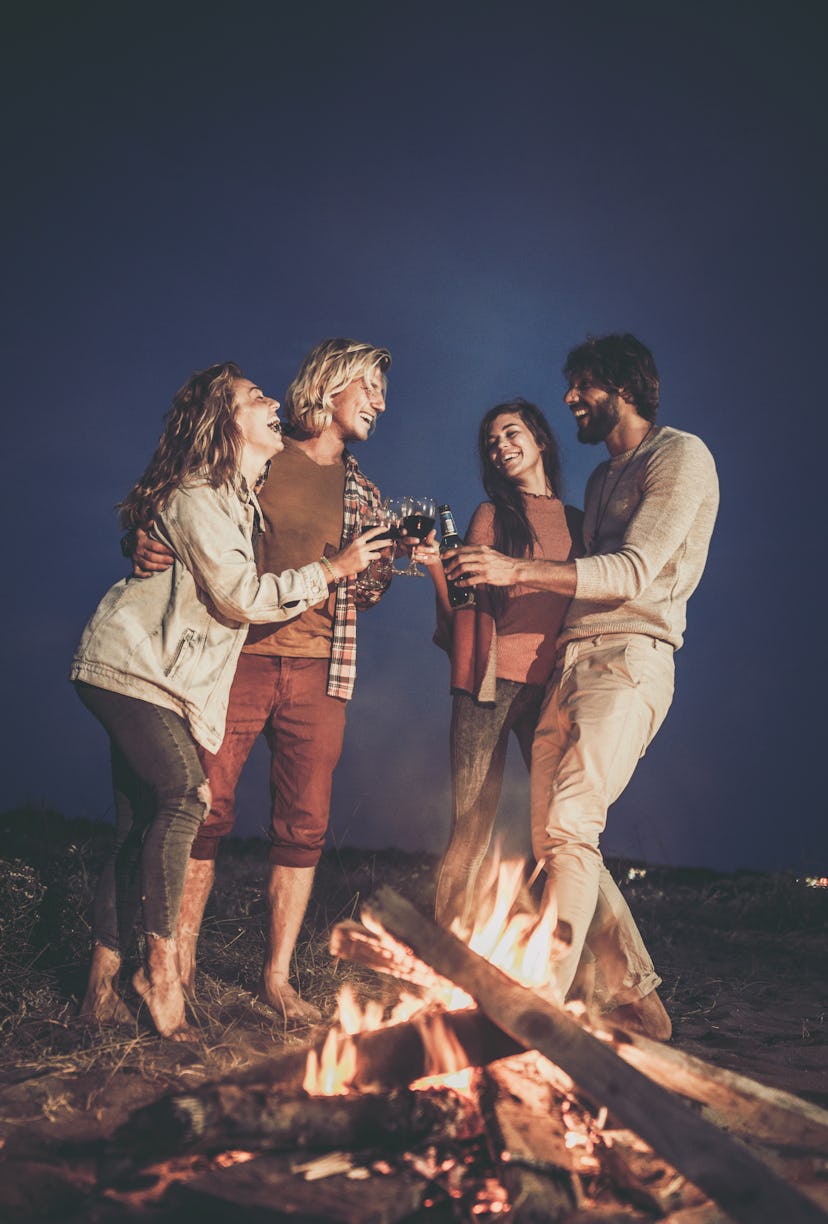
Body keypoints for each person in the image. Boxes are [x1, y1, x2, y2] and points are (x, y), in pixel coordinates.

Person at [71, 362, 389, 1037]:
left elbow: (361, 585)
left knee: (167, 825)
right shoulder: (237, 476)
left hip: (283, 667)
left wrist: (382, 563)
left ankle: (124, 987)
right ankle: (168, 971)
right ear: (328, 384)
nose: (381, 402)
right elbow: (205, 545)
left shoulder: (336, 488)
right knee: (194, 802)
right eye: (369, 385)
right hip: (190, 665)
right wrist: (142, 536)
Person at [444, 335, 719, 1040]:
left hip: (628, 658)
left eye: (583, 385)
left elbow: (631, 572)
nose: (570, 399)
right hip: (567, 665)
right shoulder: (600, 482)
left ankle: (540, 999)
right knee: (555, 841)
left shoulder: (680, 457)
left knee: (570, 826)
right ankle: (633, 996)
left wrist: (515, 571)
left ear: (623, 387)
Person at [426, 400, 582, 931]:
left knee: (560, 830)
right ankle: (447, 952)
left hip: (552, 691)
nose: (501, 447)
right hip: (487, 688)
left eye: (511, 434)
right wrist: (435, 568)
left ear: (540, 440)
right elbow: (463, 612)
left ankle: (560, 949)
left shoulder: (580, 525)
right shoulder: (491, 516)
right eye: (491, 443)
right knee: (471, 830)